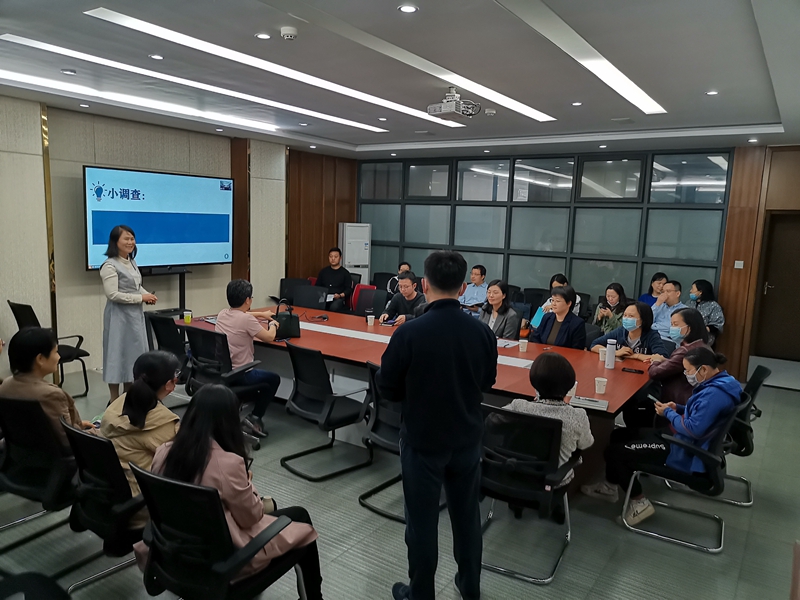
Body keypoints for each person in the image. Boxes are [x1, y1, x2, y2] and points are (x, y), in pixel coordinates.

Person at [377, 251, 497, 600]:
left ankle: (421, 593)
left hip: (422, 440)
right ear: (463, 288)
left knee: (421, 523)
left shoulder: (409, 333)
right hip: (467, 439)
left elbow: (387, 387)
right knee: (467, 518)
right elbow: (487, 381)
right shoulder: (482, 332)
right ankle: (470, 586)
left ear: (424, 284)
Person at [135, 385, 323, 597]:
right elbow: (251, 517)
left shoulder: (163, 452)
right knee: (300, 517)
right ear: (229, 421)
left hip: (174, 554)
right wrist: (248, 483)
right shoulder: (227, 464)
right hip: (222, 567)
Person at [582, 347, 739, 525]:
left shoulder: (715, 395)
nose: (686, 375)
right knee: (620, 434)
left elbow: (693, 429)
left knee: (614, 452)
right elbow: (701, 415)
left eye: (688, 371)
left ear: (703, 369)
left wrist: (669, 414)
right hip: (677, 436)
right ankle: (610, 487)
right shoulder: (723, 382)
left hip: (681, 447)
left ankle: (639, 502)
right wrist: (678, 408)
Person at [101, 350, 180, 529]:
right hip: (142, 505)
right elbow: (182, 465)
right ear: (170, 385)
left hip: (108, 496)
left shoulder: (116, 405)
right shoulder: (165, 424)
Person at [503, 353, 594, 489]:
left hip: (513, 474)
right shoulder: (577, 416)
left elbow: (492, 423)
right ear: (569, 386)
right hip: (551, 483)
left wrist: (535, 404)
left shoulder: (519, 406)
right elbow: (586, 444)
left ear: (534, 382)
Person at [0, 327, 96, 449]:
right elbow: (67, 442)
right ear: (40, 359)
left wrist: (78, 425)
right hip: (60, 458)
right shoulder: (52, 395)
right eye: (56, 352)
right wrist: (95, 433)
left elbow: (30, 428)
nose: (59, 357)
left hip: (20, 456)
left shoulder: (4, 387)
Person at [622, 308, 710, 429]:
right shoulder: (702, 346)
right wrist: (666, 361)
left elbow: (655, 373)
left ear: (689, 328)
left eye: (675, 324)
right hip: (690, 399)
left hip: (676, 403)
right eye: (671, 324)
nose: (672, 328)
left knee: (633, 403)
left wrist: (655, 360)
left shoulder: (686, 351)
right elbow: (676, 366)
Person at [215, 279, 281, 438]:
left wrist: (261, 314)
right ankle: (255, 417)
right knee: (274, 379)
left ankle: (242, 406)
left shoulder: (222, 314)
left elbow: (242, 314)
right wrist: (273, 325)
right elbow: (269, 337)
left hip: (224, 371)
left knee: (265, 383)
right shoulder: (247, 320)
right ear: (247, 300)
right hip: (241, 374)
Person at [101, 225, 157, 403]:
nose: (130, 242)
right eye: (126, 238)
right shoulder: (109, 265)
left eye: (132, 238)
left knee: (133, 356)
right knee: (116, 354)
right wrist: (141, 298)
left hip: (134, 317)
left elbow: (136, 286)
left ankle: (128, 396)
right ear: (115, 241)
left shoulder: (131, 262)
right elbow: (112, 294)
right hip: (118, 317)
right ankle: (114, 400)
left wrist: (147, 295)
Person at [590, 301, 668, 361]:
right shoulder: (621, 331)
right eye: (625, 315)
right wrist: (614, 352)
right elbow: (594, 345)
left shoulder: (651, 335)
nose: (626, 319)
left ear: (643, 320)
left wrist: (635, 356)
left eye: (631, 316)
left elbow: (663, 358)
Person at [532, 286, 586, 350]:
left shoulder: (577, 323)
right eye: (552, 300)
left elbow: (577, 350)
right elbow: (535, 337)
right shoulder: (547, 317)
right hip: (543, 354)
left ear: (569, 303)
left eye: (557, 301)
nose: (553, 304)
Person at [688, 279, 725, 346]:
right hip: (687, 335)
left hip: (704, 339)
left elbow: (717, 326)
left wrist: (701, 329)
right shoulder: (690, 302)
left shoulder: (713, 306)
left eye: (693, 289)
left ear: (700, 292)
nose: (690, 291)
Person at [315, 247, 352, 312]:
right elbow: (317, 286)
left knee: (334, 307)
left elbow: (348, 289)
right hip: (324, 297)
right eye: (331, 256)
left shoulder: (345, 273)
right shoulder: (323, 271)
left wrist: (340, 295)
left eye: (335, 257)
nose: (333, 259)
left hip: (338, 298)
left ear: (340, 258)